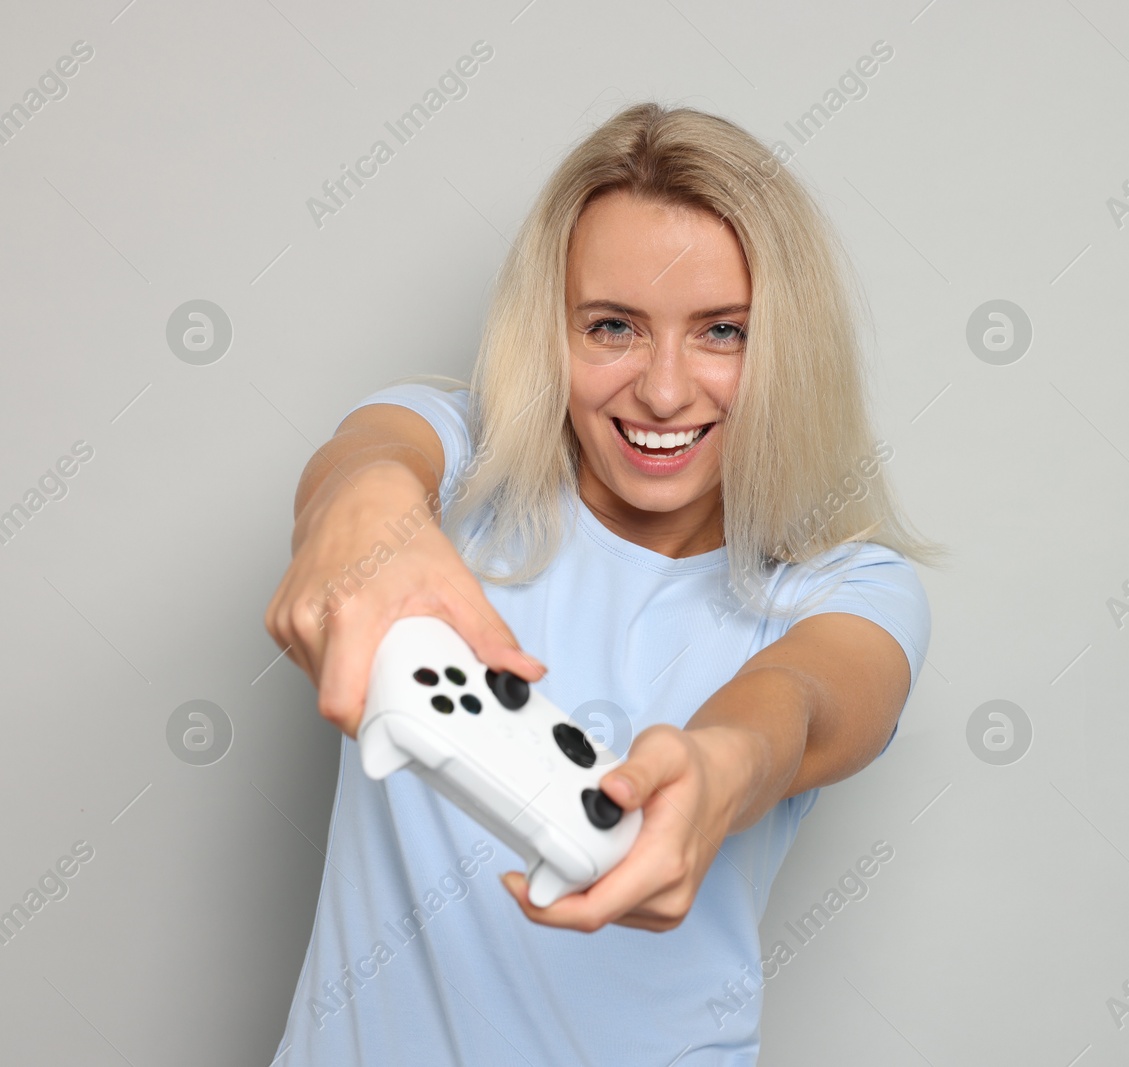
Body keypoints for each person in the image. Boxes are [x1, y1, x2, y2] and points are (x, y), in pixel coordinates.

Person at [264, 101, 942, 1065]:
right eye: (614, 327)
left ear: (788, 347)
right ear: (553, 330)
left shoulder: (852, 588)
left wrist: (721, 766)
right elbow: (369, 459)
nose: (664, 391)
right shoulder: (457, 467)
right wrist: (368, 504)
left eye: (722, 332)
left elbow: (807, 701)